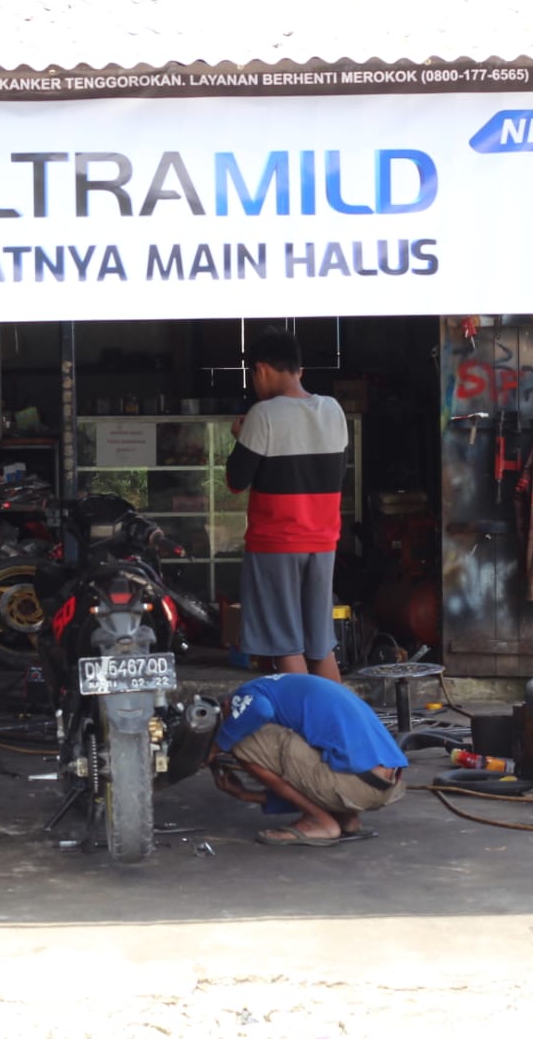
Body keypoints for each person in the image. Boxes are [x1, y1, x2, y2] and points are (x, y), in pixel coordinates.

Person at [225, 331, 349, 682]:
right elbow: (338, 473)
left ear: (261, 370)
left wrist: (240, 438)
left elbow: (236, 481)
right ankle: (334, 729)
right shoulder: (333, 410)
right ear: (300, 370)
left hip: (276, 543)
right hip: (323, 542)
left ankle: (298, 730)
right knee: (320, 646)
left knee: (286, 646)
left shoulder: (263, 415)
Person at [208, 672, 407, 847]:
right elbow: (301, 781)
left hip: (355, 783)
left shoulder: (245, 694)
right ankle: (347, 818)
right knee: (320, 741)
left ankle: (319, 822)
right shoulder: (281, 688)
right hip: (385, 785)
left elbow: (259, 710)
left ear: (228, 705)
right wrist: (247, 795)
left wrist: (214, 748)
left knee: (243, 741)